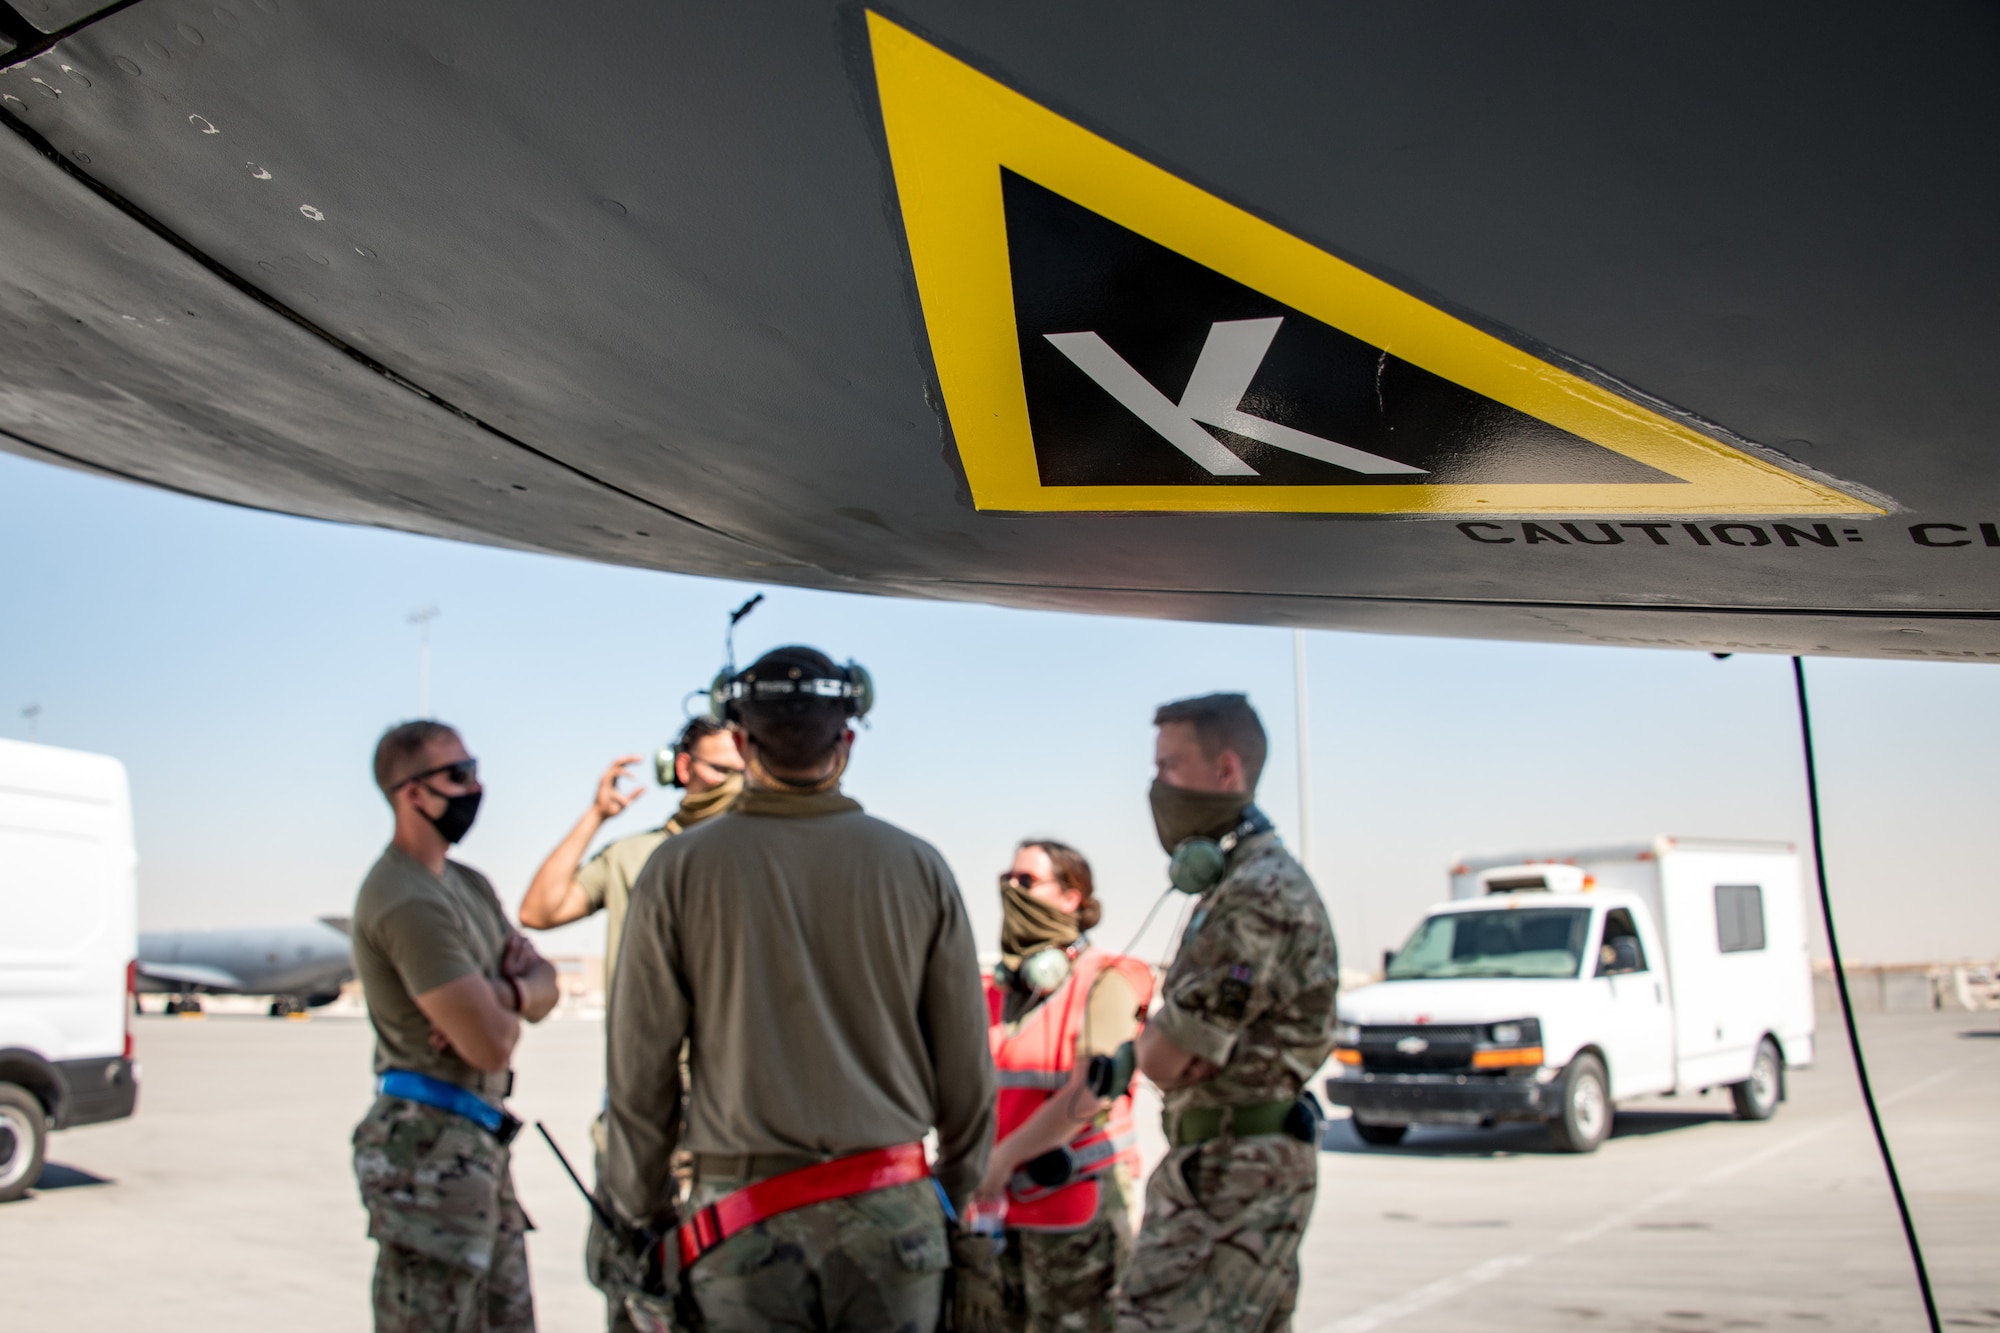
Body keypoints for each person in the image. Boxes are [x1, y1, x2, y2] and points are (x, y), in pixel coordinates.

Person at [598, 645, 996, 1333]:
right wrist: (947, 1194)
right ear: (846, 740)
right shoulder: (919, 867)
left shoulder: (676, 870)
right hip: (894, 1217)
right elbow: (967, 1068)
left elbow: (641, 1069)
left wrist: (644, 1207)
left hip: (741, 1222)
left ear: (745, 743)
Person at [1116, 694, 1340, 1333]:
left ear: (1226, 771)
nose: (1157, 786)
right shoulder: (1240, 881)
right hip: (1237, 1167)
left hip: (1229, 1176)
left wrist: (1146, 1035)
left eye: (1170, 767)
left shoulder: (1254, 894)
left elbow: (1167, 1057)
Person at [518, 717, 744, 1333]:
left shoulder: (758, 853)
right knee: (631, 1284)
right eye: (721, 768)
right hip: (641, 1107)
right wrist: (597, 816)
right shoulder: (633, 855)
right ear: (681, 768)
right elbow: (539, 909)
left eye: (743, 766)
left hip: (730, 1113)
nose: (735, 779)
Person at [350, 721, 562, 1333]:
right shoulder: (404, 897)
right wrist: (501, 1007)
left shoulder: (467, 885)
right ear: (411, 792)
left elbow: (546, 987)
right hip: (427, 1150)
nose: (476, 787)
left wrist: (499, 993)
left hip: (479, 1143)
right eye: (459, 775)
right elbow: (489, 1041)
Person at [976, 839, 1153, 1333]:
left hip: (1075, 1214)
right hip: (999, 1216)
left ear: (1072, 898)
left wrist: (1002, 1160)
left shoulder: (1107, 979)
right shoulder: (998, 991)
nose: (1012, 891)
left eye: (1027, 882)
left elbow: (1089, 1094)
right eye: (1007, 881)